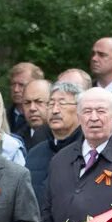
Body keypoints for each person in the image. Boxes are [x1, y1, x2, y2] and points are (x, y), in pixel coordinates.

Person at [46, 87, 112, 222]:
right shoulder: (60, 159)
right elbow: (47, 215)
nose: (94, 117)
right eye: (87, 111)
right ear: (79, 117)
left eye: (101, 111)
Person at [27, 81, 85, 210]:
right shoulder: (35, 153)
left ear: (79, 110)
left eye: (62, 104)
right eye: (51, 104)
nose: (54, 110)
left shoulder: (87, 151)